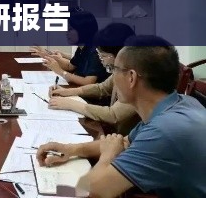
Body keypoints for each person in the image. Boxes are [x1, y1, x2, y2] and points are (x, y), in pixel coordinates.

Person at [37, 36, 206, 198]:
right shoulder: (179, 104)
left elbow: (97, 190)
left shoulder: (164, 132)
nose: (111, 77)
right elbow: (124, 143)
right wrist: (72, 149)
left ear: (131, 77)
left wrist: (108, 155)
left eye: (113, 70)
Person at [48, 23, 139, 135]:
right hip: (114, 132)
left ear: (121, 54)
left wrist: (71, 104)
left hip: (125, 137)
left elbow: (113, 115)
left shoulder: (134, 76)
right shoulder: (119, 69)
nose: (101, 59)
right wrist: (68, 91)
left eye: (103, 56)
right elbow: (102, 88)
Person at [35, 9, 108, 85]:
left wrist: (60, 71)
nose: (66, 32)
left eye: (70, 29)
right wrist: (48, 56)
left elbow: (88, 82)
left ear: (82, 30)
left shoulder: (95, 51)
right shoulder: (82, 47)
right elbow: (70, 66)